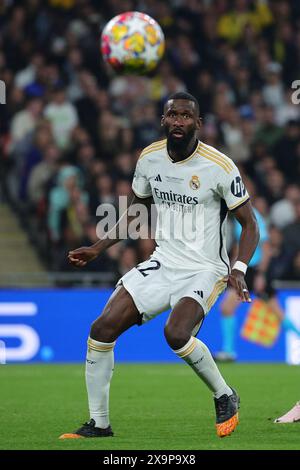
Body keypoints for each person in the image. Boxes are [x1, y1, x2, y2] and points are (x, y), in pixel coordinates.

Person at [59, 92, 259, 440]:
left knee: (176, 334)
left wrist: (239, 268)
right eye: (173, 115)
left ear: (198, 124)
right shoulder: (149, 159)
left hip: (205, 268)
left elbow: (251, 224)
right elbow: (135, 213)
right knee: (101, 329)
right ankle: (99, 424)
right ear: (163, 120)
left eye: (186, 116)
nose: (178, 121)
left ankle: (224, 394)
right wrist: (97, 247)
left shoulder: (220, 166)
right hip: (163, 263)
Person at [215, 211, 300, 362]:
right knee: (275, 312)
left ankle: (229, 351)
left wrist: (261, 274)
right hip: (245, 270)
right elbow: (238, 247)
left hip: (253, 271)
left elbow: (265, 245)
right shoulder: (236, 218)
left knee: (228, 308)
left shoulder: (251, 214)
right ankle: (228, 351)